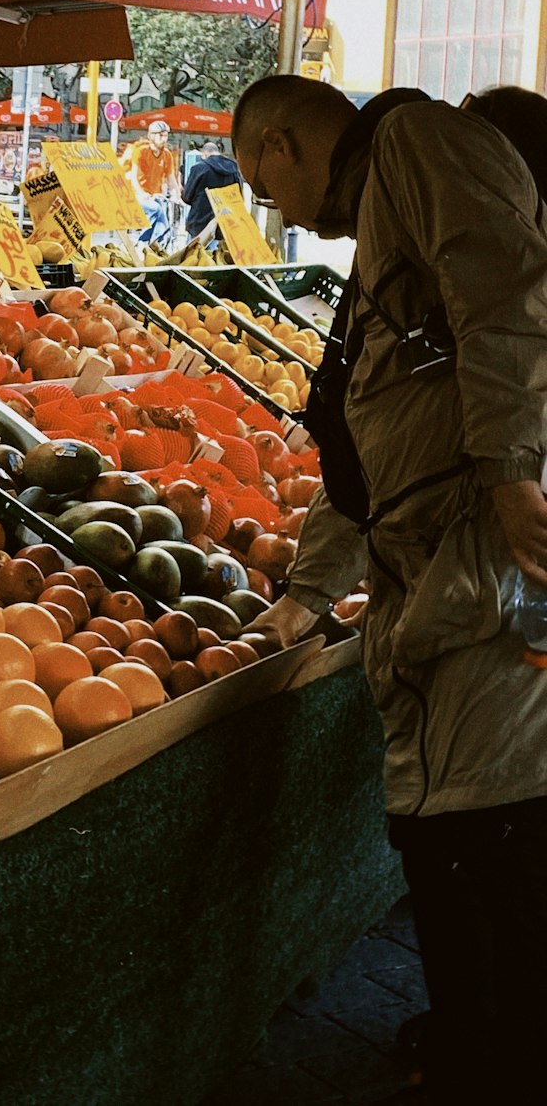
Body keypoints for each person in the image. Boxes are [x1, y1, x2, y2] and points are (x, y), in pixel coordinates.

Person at [230, 73, 547, 1105]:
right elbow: (363, 449)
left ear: (280, 141)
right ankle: (473, 1040)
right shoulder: (382, 229)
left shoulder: (412, 143)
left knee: (477, 847)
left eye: (257, 179)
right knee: (452, 840)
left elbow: (505, 285)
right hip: (438, 599)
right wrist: (308, 591)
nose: (270, 209)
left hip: (477, 595)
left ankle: (483, 1066)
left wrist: (509, 471)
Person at [124, 119, 182, 245]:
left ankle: (153, 247)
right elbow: (134, 178)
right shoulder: (141, 151)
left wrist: (176, 195)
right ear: (151, 136)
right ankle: (146, 243)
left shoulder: (167, 155)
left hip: (156, 196)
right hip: (136, 196)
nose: (164, 139)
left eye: (166, 135)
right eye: (161, 135)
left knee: (164, 220)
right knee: (155, 208)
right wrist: (141, 193)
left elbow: (171, 179)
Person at [181, 137, 243, 239]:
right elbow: (238, 197)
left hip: (199, 225)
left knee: (194, 254)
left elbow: (186, 197)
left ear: (204, 153)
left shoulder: (200, 169)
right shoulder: (234, 170)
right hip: (224, 226)